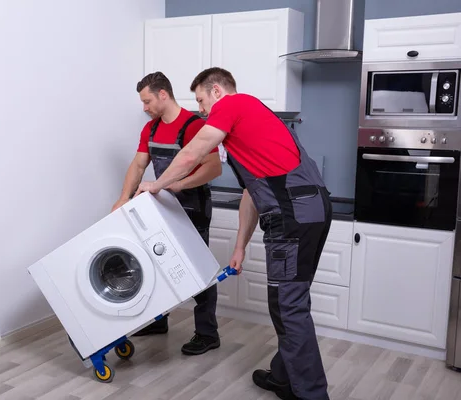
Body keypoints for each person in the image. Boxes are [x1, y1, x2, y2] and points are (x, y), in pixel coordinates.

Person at [134, 67, 332, 400]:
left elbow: (193, 152)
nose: (200, 110)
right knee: (290, 300)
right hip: (310, 209)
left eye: (200, 100)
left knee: (288, 306)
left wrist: (157, 184)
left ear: (216, 91)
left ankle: (312, 394)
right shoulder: (255, 119)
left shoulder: (232, 104)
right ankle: (285, 377)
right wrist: (240, 246)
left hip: (291, 215)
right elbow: (252, 193)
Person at [111, 71, 223, 356]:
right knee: (156, 262)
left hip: (193, 206)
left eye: (147, 101)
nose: (144, 108)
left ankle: (208, 333)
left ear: (163, 94)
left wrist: (178, 184)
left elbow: (213, 168)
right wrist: (123, 199)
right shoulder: (150, 130)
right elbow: (138, 166)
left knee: (199, 271)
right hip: (162, 207)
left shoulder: (194, 125)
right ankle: (160, 321)